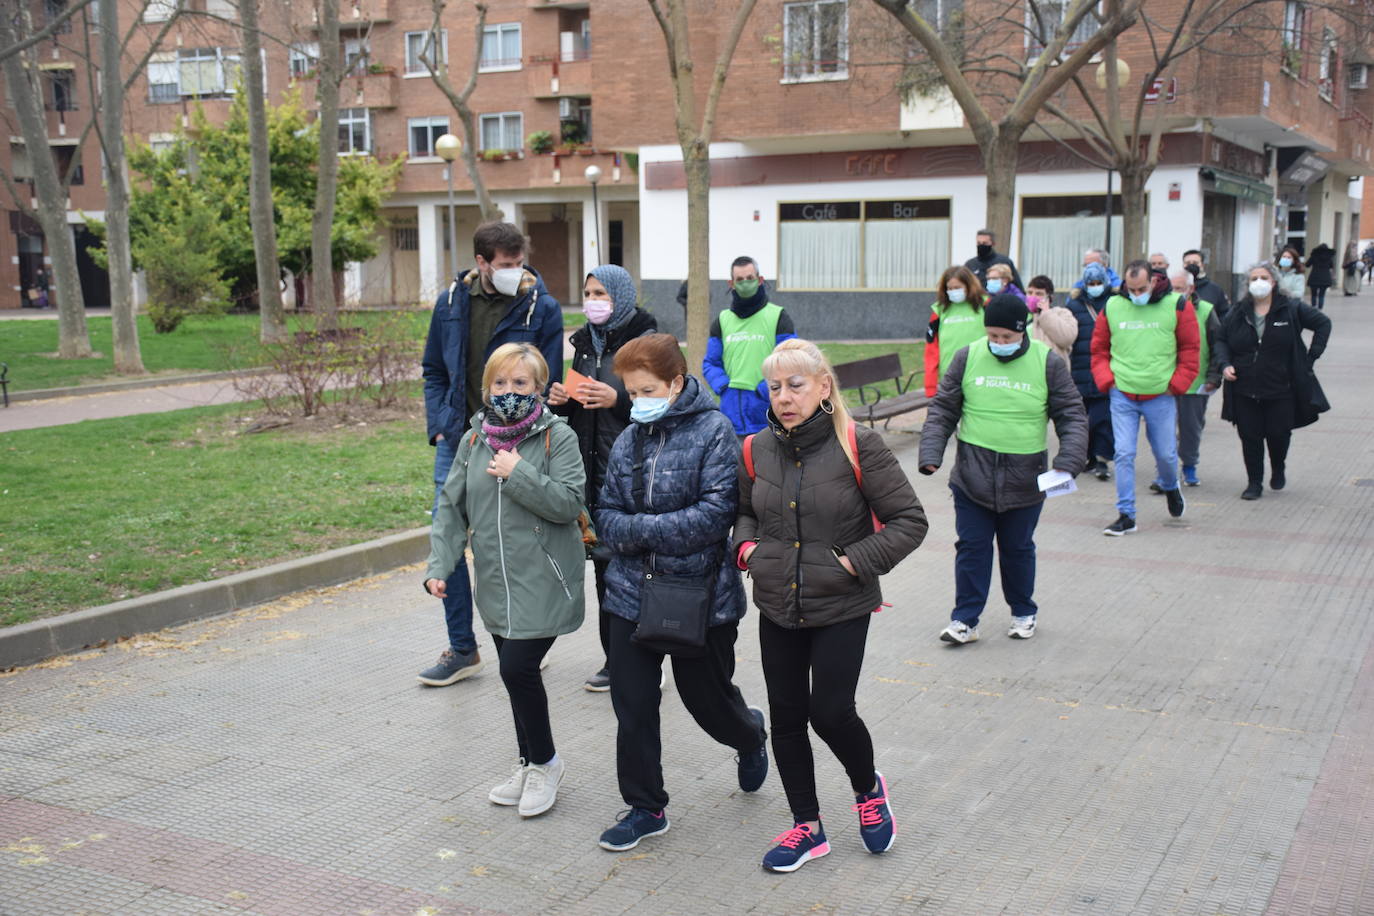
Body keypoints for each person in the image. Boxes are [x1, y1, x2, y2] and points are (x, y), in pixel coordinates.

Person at [736, 338, 928, 872]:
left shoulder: (858, 444)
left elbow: (910, 521)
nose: (783, 397)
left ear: (824, 386)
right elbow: (743, 510)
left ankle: (867, 790)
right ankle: (807, 826)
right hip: (777, 602)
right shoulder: (755, 448)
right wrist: (747, 549)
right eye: (775, 387)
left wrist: (852, 562)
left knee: (830, 712)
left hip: (842, 603)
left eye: (795, 385)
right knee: (787, 716)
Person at [592, 333, 769, 852]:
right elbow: (605, 514)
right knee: (633, 703)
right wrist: (636, 530)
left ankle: (749, 734)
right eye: (629, 391)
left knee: (706, 701)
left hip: (700, 594)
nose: (636, 400)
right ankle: (646, 806)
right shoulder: (629, 438)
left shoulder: (716, 430)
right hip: (629, 593)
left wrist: (639, 530)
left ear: (675, 383)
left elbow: (715, 516)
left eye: (646, 389)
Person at [424, 343, 585, 818]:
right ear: (486, 387)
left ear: (538, 388)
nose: (509, 391)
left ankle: (547, 763)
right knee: (517, 678)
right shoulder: (474, 441)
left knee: (517, 669)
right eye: (500, 383)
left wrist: (519, 474)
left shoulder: (559, 438)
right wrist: (440, 565)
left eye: (520, 383)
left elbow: (568, 503)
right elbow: (452, 507)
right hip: (494, 583)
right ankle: (529, 761)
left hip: (545, 579)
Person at [418, 221, 564, 686]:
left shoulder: (541, 305)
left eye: (520, 263)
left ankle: (523, 636)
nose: (516, 272)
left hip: (519, 439)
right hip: (461, 438)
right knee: (449, 533)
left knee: (522, 537)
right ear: (481, 262)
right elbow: (434, 369)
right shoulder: (449, 304)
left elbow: (549, 379)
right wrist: (441, 426)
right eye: (505, 265)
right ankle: (462, 647)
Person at [919, 295, 1087, 645]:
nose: (998, 344)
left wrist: (1069, 462)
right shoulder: (968, 356)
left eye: (1006, 338)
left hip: (1025, 478)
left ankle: (1024, 611)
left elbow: (1071, 414)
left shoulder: (1047, 362)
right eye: (992, 336)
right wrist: (931, 452)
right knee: (971, 548)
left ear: (1022, 331)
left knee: (1018, 548)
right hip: (972, 475)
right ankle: (965, 620)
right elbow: (944, 408)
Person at [547, 265, 658, 693]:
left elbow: (660, 403)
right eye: (588, 291)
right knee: (603, 569)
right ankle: (616, 659)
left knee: (632, 568)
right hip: (590, 472)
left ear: (621, 297)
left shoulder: (645, 343)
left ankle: (648, 654)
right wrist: (560, 400)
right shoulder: (585, 345)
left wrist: (617, 399)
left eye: (602, 294)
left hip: (629, 470)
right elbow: (579, 406)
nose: (593, 300)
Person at [1090, 260, 1200, 535]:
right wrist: (1108, 381)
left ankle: (1170, 486)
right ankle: (1126, 514)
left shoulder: (1177, 305)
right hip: (1122, 393)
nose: (1136, 294)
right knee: (1124, 453)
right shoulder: (1113, 306)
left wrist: (1176, 385)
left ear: (1153, 281)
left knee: (1165, 453)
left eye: (1141, 289)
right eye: (1131, 288)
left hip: (1160, 395)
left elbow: (1190, 349)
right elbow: (1099, 348)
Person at [1215, 263, 1332, 500]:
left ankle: (1278, 466)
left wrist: (1310, 357)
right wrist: (1224, 364)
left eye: (1264, 277)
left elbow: (1323, 323)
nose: (1259, 282)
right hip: (1244, 387)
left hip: (1281, 388)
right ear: (1248, 284)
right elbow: (1220, 339)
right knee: (1250, 436)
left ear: (1274, 282)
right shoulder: (1238, 312)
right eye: (1254, 278)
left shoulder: (1290, 308)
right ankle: (1254, 483)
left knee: (1279, 433)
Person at [703, 256, 797, 437]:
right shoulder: (722, 321)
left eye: (750, 278)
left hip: (770, 416)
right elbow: (710, 363)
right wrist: (723, 387)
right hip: (731, 418)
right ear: (731, 283)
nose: (745, 283)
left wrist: (766, 390)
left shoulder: (778, 316)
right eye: (739, 280)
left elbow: (791, 360)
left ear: (760, 280)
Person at [1165, 267, 1222, 488]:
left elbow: (1217, 344)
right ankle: (1166, 471)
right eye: (1173, 288)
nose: (1176, 293)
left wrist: (1214, 376)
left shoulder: (1206, 311)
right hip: (1165, 382)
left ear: (1191, 289)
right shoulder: (1162, 309)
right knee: (1164, 430)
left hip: (1195, 383)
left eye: (1180, 288)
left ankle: (1189, 465)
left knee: (1190, 428)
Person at [1066, 263, 1115, 481]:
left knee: (1102, 418)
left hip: (1106, 368)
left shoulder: (1114, 303)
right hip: (1081, 368)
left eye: (1098, 283)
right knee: (1084, 418)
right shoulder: (1075, 305)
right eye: (1090, 283)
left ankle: (1103, 458)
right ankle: (1089, 457)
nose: (1095, 287)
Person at [923, 265, 988, 396]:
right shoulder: (939, 310)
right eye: (950, 288)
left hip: (981, 374)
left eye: (957, 288)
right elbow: (931, 348)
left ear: (969, 286)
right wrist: (930, 385)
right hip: (949, 377)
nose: (953, 291)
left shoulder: (985, 305)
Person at [1025, 275, 1077, 367]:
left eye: (1039, 294)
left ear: (1050, 298)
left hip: (1054, 371)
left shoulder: (1062, 313)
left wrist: (1046, 314)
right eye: (1030, 292)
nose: (1033, 297)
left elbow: (1067, 338)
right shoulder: (1023, 316)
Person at [1181, 249, 1231, 319]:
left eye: (1195, 263)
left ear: (1202, 265)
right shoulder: (1175, 287)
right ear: (1183, 265)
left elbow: (1224, 315)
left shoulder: (1215, 290)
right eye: (1188, 263)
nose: (1191, 265)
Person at [1306, 243, 1335, 310]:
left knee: (1313, 294)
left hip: (1314, 277)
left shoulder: (1314, 256)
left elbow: (1307, 264)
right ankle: (1320, 308)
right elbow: (1331, 266)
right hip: (1325, 278)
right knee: (1322, 295)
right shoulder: (1329, 257)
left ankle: (1313, 308)